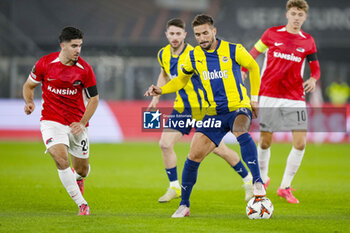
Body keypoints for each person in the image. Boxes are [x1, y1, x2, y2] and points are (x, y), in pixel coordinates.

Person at [145, 14, 266, 218]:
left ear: (214, 31)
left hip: (238, 107)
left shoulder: (233, 49)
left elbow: (254, 67)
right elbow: (181, 80)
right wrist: (161, 90)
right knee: (193, 156)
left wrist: (254, 99)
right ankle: (184, 205)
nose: (201, 38)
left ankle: (257, 181)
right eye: (198, 34)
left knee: (240, 130)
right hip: (213, 114)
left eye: (205, 33)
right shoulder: (193, 57)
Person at [241, 0, 321, 203]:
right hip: (269, 95)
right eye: (293, 13)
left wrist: (313, 79)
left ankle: (285, 187)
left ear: (305, 17)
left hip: (295, 97)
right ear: (287, 14)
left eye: (300, 15)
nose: (296, 18)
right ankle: (264, 178)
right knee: (266, 141)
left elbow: (316, 68)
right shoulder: (271, 34)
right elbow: (252, 55)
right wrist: (243, 69)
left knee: (301, 143)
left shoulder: (308, 41)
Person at [23, 27, 99, 215]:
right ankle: (82, 204)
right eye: (74, 46)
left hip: (76, 124)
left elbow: (94, 99)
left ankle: (79, 178)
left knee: (82, 169)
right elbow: (29, 85)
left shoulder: (85, 69)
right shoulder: (45, 63)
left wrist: (82, 122)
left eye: (80, 46)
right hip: (51, 120)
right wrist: (30, 101)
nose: (78, 50)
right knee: (60, 158)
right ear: (62, 45)